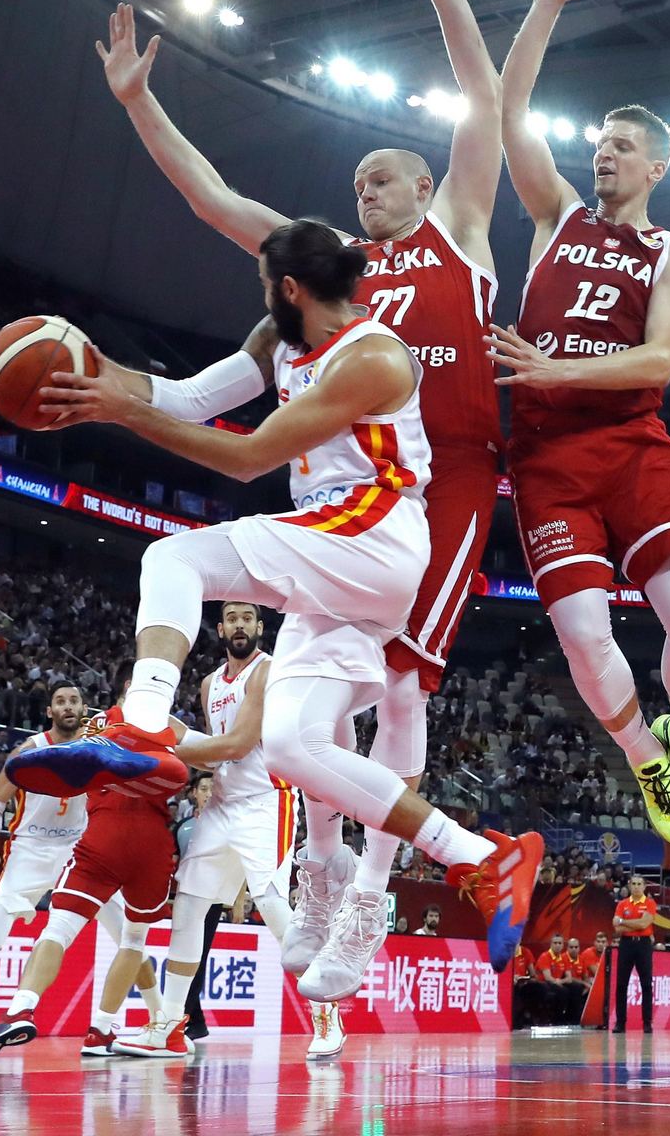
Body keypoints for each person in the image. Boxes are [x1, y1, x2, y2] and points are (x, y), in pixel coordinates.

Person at [98, 0, 507, 910]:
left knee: (402, 683)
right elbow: (213, 198)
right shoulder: (316, 290)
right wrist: (140, 106)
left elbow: (484, 105)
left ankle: (357, 888)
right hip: (353, 507)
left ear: (423, 185)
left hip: (424, 484)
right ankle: (452, 854)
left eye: (385, 176)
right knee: (290, 740)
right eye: (355, 180)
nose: (366, 186)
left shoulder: (447, 238)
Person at [27, 221, 544, 999]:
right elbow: (191, 398)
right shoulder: (281, 333)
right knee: (294, 749)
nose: (262, 295)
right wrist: (106, 376)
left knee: (174, 557)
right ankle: (481, 857)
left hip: (370, 531)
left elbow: (246, 457)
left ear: (289, 287)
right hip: (336, 565)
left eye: (265, 283)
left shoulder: (371, 356)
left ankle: (142, 717)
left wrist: (118, 413)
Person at [487, 0, 670, 849]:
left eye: (620, 148)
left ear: (656, 165)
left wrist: (555, 369)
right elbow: (509, 112)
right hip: (547, 459)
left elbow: (658, 361)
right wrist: (546, 2)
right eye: (599, 145)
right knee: (586, 636)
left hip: (630, 443)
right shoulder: (555, 218)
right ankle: (643, 755)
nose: (603, 157)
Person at [114, 602, 342, 1060]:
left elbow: (236, 745)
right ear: (220, 629)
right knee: (188, 911)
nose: (239, 624)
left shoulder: (267, 671)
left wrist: (161, 739)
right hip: (220, 804)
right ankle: (169, 1025)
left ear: (259, 626)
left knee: (276, 910)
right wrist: (160, 730)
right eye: (231, 618)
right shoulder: (207, 684)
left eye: (247, 617)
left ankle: (326, 1011)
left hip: (265, 801)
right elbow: (211, 752)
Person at [0, 682, 164, 1060]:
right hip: (29, 850)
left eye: (74, 701)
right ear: (49, 711)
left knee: (129, 936)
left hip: (81, 849)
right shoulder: (30, 751)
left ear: (84, 708)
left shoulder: (99, 742)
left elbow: (126, 721)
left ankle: (158, 1017)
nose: (68, 706)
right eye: (60, 702)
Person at [612, 874, 656, 1034]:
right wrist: (635, 925)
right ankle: (620, 1023)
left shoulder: (650, 903)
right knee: (622, 984)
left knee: (646, 984)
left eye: (639, 884)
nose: (636, 887)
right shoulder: (622, 904)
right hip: (626, 945)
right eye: (634, 884)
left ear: (644, 887)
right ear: (629, 886)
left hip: (643, 945)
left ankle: (647, 1023)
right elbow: (616, 928)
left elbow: (645, 923)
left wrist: (624, 922)